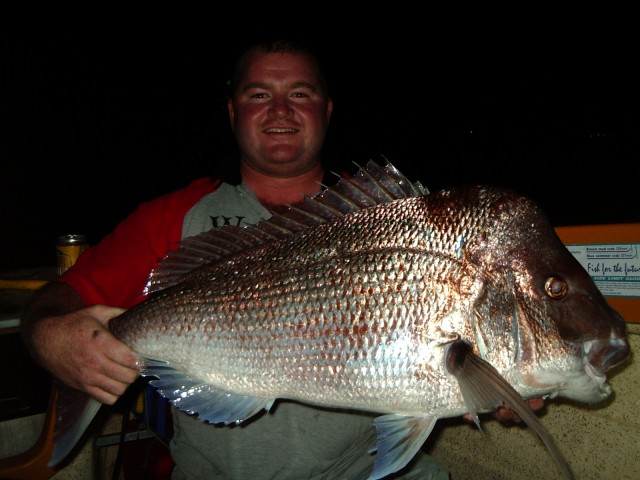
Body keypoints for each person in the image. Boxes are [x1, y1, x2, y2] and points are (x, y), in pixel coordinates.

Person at [21, 37, 541, 479]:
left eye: (300, 93)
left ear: (326, 109)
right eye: (258, 94)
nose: (280, 110)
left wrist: (503, 380)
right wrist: (51, 338)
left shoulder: (405, 216)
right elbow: (55, 301)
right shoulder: (171, 218)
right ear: (233, 112)